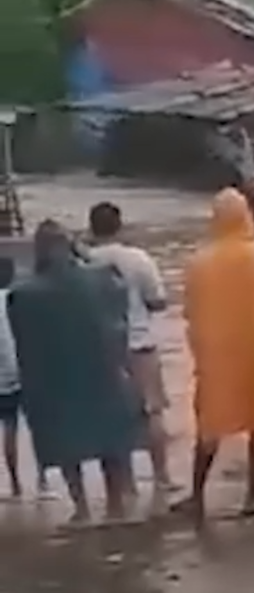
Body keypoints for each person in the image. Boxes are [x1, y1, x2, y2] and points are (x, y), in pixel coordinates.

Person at [6, 221, 142, 522]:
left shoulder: (25, 294)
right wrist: (86, 255)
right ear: (70, 246)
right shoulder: (103, 279)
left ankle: (81, 508)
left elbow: (24, 344)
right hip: (103, 373)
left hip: (56, 381)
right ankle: (115, 506)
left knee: (66, 445)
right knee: (111, 441)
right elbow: (120, 317)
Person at [179, 188, 254, 521]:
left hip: (216, 358)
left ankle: (196, 496)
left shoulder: (199, 262)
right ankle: (252, 496)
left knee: (209, 428)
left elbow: (190, 311)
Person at [86, 201, 173, 495]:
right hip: (140, 345)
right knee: (152, 412)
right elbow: (158, 301)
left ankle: (126, 484)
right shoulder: (138, 259)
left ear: (91, 227)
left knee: (111, 417)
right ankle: (162, 477)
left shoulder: (85, 263)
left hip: (100, 350)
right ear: (119, 226)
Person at [0, 254, 23, 498]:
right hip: (16, 374)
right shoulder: (15, 299)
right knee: (28, 426)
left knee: (9, 428)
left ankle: (14, 483)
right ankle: (39, 481)